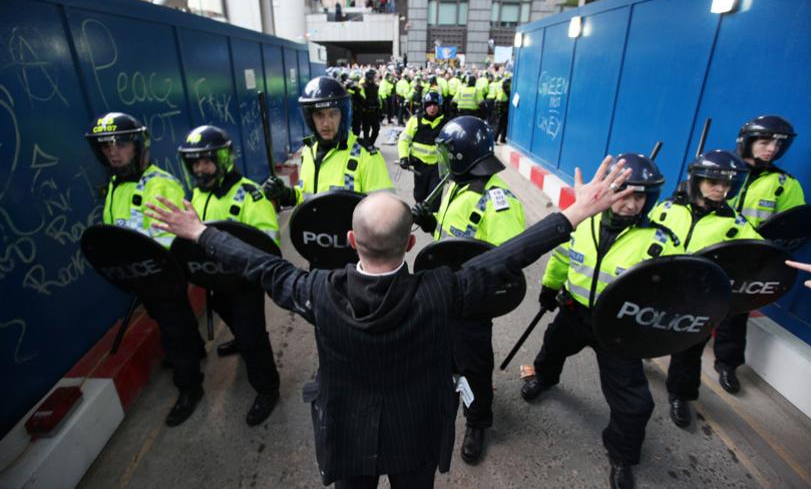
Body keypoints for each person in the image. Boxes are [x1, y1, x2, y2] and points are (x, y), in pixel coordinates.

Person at [146, 153, 635, 489]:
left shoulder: (317, 292)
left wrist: (199, 231)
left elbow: (261, 266)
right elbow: (507, 257)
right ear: (411, 244)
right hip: (416, 434)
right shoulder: (443, 290)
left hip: (347, 436)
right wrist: (576, 214)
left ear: (351, 242)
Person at [520, 153, 683, 489]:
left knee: (635, 402)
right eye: (622, 193)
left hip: (619, 330)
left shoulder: (660, 242)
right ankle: (545, 379)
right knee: (551, 348)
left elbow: (669, 294)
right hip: (574, 311)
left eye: (639, 196)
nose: (629, 203)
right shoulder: (583, 221)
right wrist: (550, 287)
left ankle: (622, 456)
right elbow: (563, 256)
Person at [412, 116, 524, 465]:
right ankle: (445, 396)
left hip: (472, 302)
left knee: (474, 364)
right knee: (443, 354)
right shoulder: (455, 185)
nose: (442, 160)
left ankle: (477, 421)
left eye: (447, 153)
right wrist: (431, 223)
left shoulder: (498, 203)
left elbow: (507, 266)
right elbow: (451, 241)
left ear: (463, 156)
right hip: (445, 290)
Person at [85, 112, 206, 427]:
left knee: (174, 329)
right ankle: (195, 352)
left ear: (138, 146)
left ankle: (190, 387)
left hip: (162, 275)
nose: (113, 152)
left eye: (121, 144)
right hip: (140, 276)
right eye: (106, 146)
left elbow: (172, 237)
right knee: (172, 324)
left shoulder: (160, 184)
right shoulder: (115, 185)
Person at [177, 125, 282, 426]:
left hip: (244, 282)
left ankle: (267, 387)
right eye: (195, 162)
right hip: (214, 279)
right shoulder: (196, 194)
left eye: (207, 161)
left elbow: (268, 243)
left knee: (252, 337)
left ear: (223, 160)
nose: (201, 168)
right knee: (232, 319)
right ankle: (239, 338)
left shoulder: (250, 195)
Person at [650, 150, 759, 428]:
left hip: (698, 299)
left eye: (726, 185)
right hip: (659, 290)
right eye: (714, 182)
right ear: (696, 181)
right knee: (643, 334)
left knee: (689, 352)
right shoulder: (666, 209)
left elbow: (759, 256)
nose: (721, 190)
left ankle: (680, 395)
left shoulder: (736, 225)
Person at [720, 115, 806, 393]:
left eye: (777, 145)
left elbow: (794, 226)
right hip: (712, 250)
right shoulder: (721, 171)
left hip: (749, 260)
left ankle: (727, 364)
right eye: (764, 141)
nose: (771, 149)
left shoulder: (785, 184)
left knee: (736, 313)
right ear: (747, 141)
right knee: (692, 301)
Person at [263, 76, 393, 207]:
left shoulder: (366, 156)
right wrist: (288, 195)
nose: (326, 123)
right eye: (319, 115)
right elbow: (308, 197)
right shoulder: (309, 151)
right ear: (310, 118)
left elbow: (384, 211)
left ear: (342, 115)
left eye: (333, 114)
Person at [398, 91, 446, 212]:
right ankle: (421, 214)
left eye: (435, 105)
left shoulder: (445, 123)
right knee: (419, 195)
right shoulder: (415, 121)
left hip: (438, 167)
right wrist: (403, 157)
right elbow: (403, 140)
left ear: (439, 107)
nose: (432, 108)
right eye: (429, 105)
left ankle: (432, 225)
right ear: (425, 106)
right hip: (420, 166)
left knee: (434, 199)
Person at [359, 69, 383, 145]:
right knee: (366, 130)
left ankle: (371, 144)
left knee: (376, 129)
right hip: (366, 112)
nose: (373, 79)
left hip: (375, 112)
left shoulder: (376, 87)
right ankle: (367, 145)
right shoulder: (362, 86)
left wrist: (380, 109)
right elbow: (361, 99)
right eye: (373, 77)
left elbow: (378, 98)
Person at [494, 76, 511, 144]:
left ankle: (502, 139)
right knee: (500, 124)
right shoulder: (506, 92)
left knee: (504, 124)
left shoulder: (502, 90)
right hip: (503, 108)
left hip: (501, 107)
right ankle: (495, 139)